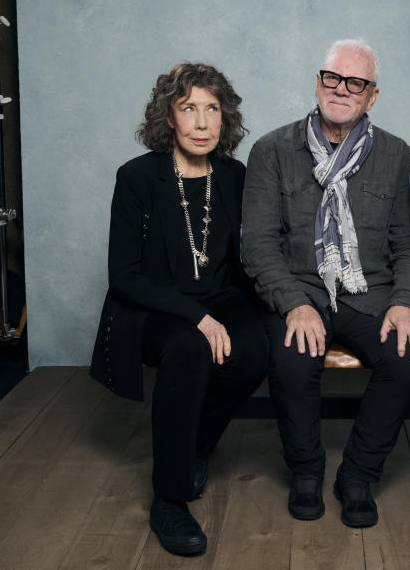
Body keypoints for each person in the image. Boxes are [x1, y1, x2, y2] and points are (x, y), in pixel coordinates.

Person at [241, 39, 410, 528]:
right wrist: (292, 305)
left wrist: (406, 303)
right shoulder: (271, 150)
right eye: (332, 78)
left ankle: (359, 476)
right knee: (291, 358)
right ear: (318, 82)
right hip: (298, 291)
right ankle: (306, 472)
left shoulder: (396, 154)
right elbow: (258, 245)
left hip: (372, 296)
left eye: (356, 83)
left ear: (372, 96)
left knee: (407, 358)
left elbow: (409, 246)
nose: (341, 89)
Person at [90, 63, 268, 557]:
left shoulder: (234, 175)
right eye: (189, 108)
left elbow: (243, 260)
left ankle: (193, 446)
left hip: (221, 298)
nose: (202, 122)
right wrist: (196, 317)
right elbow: (124, 276)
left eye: (212, 109)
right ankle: (169, 498)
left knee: (257, 351)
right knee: (190, 349)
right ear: (169, 116)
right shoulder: (137, 177)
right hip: (152, 305)